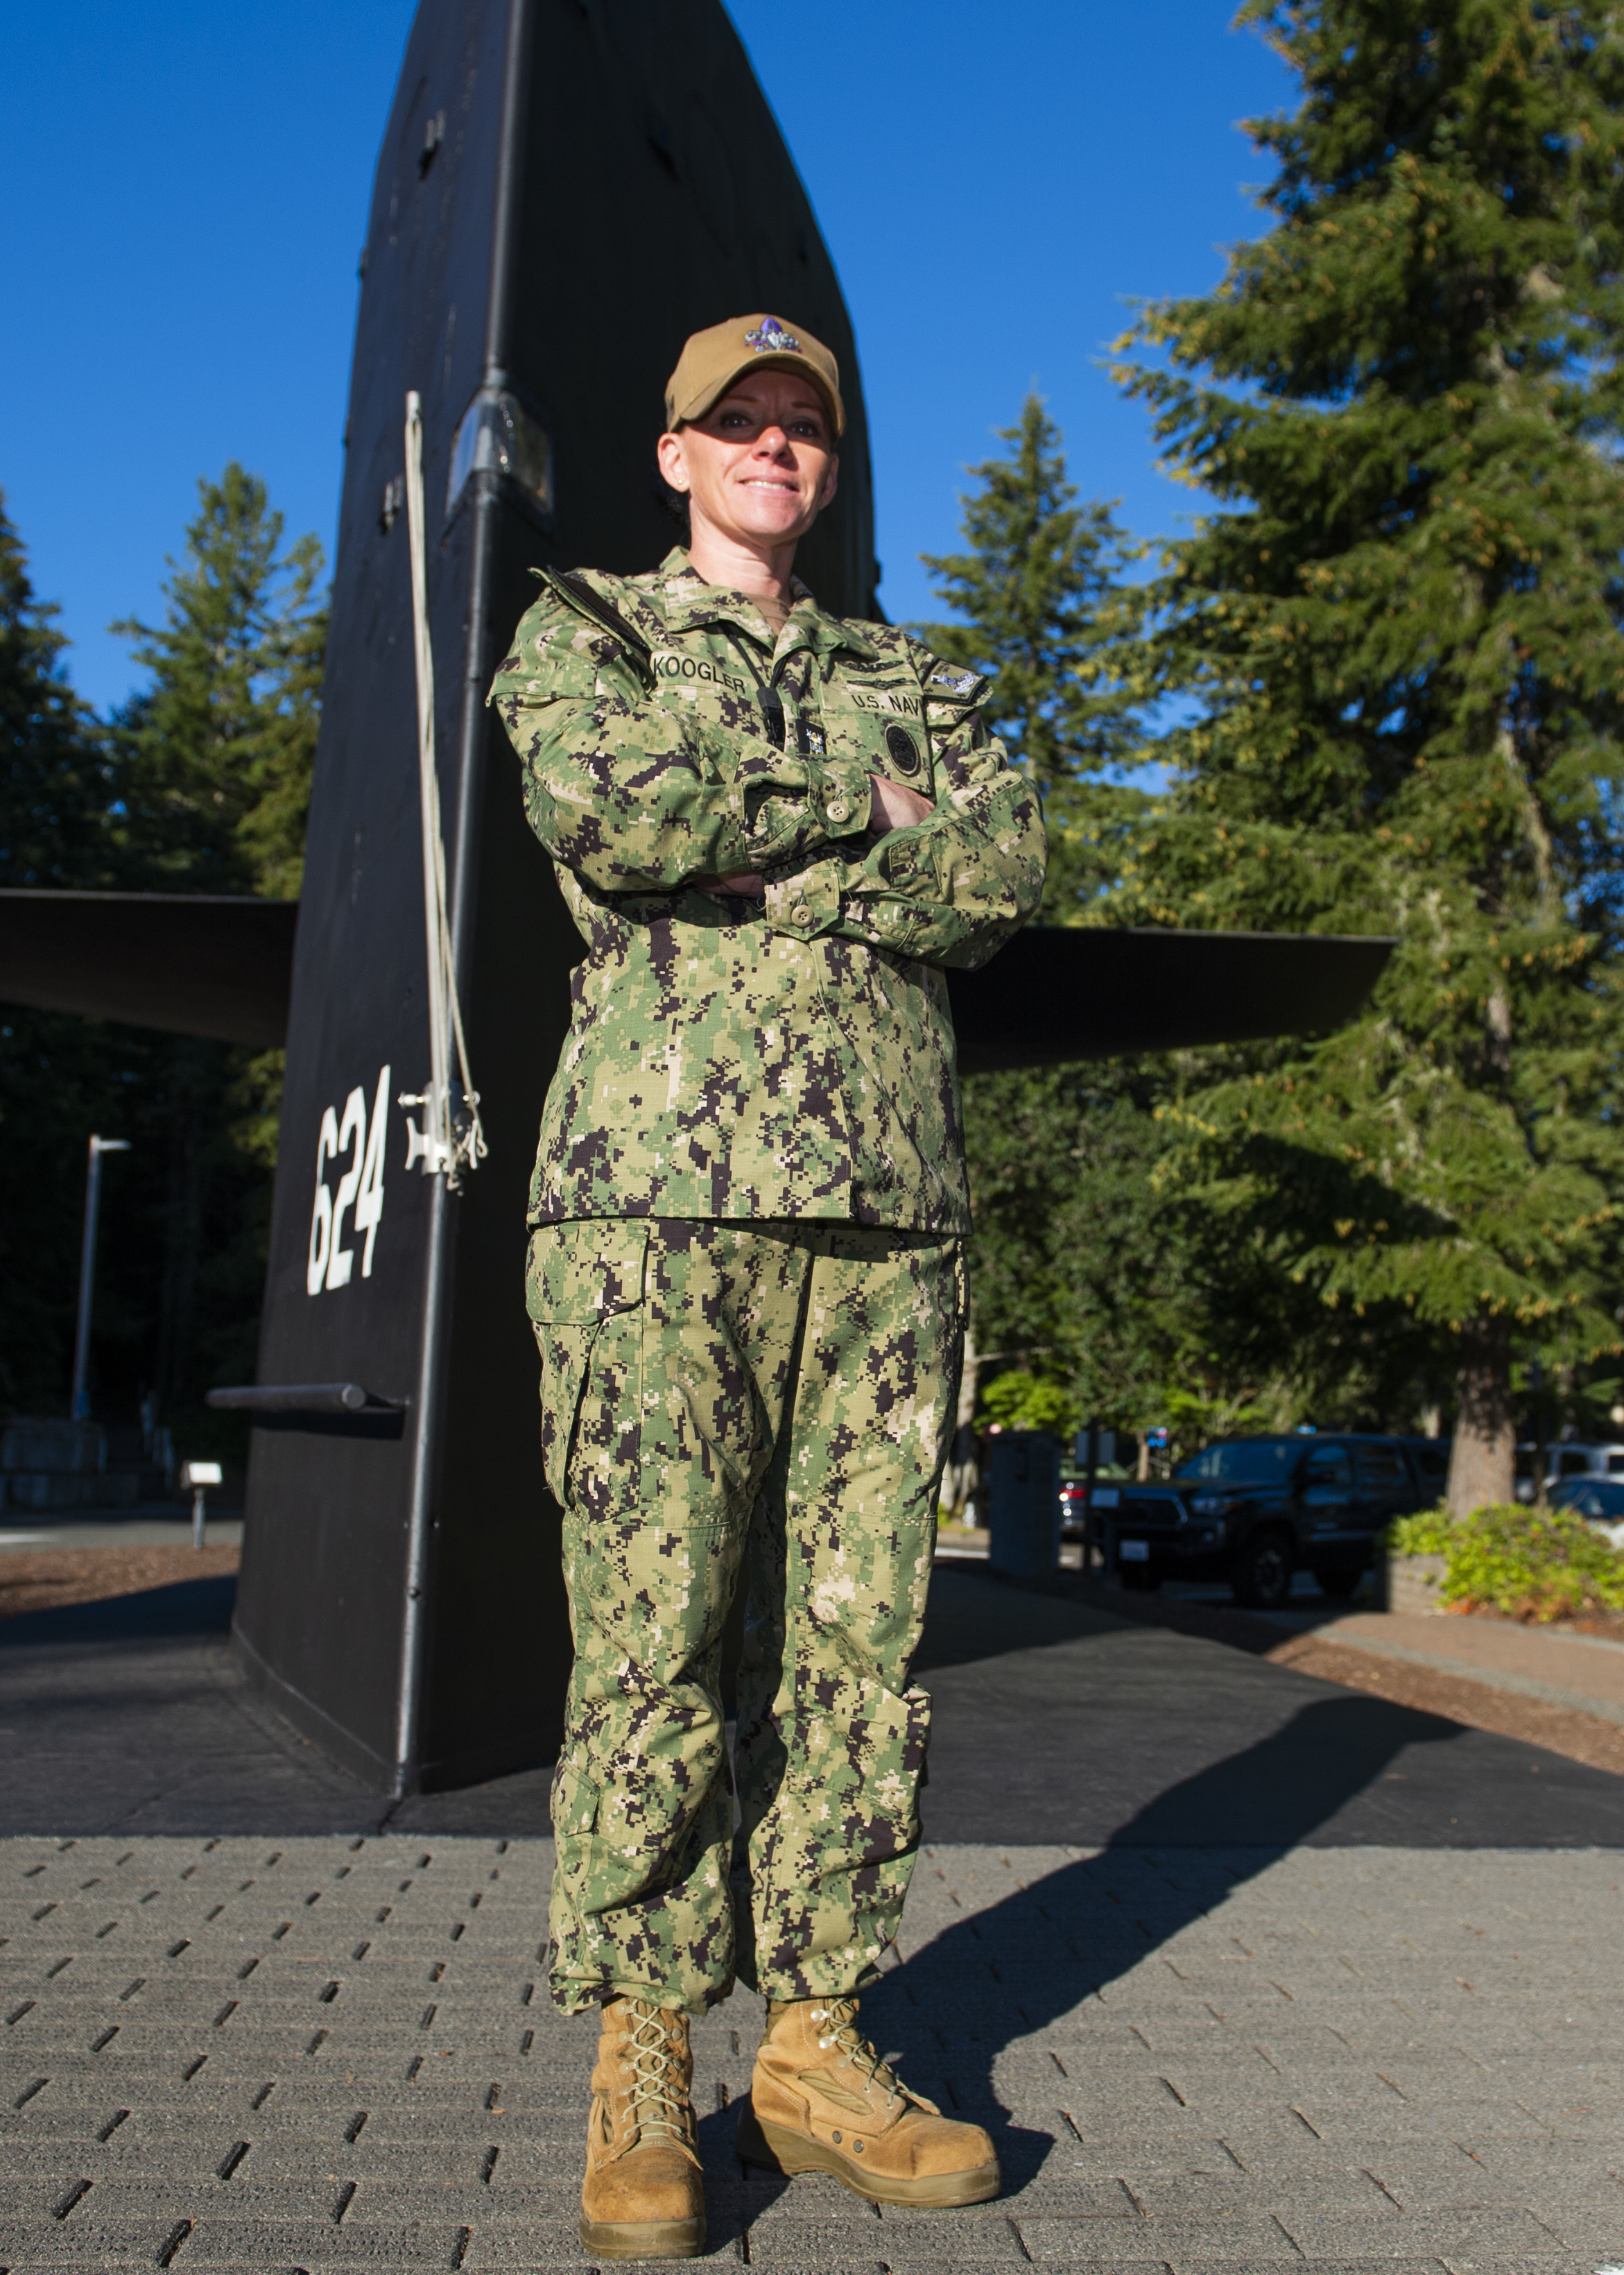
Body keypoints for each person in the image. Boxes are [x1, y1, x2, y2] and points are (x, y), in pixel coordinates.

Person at [490, 312, 1046, 2259]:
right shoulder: (590, 639)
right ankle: (645, 2053)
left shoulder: (920, 670)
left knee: (857, 1650)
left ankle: (815, 2042)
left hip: (888, 1215)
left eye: (804, 427)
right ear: (675, 454)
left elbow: (1001, 874)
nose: (775, 450)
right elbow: (617, 817)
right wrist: (860, 811)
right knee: (655, 1635)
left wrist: (776, 835)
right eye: (742, 422)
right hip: (654, 1208)